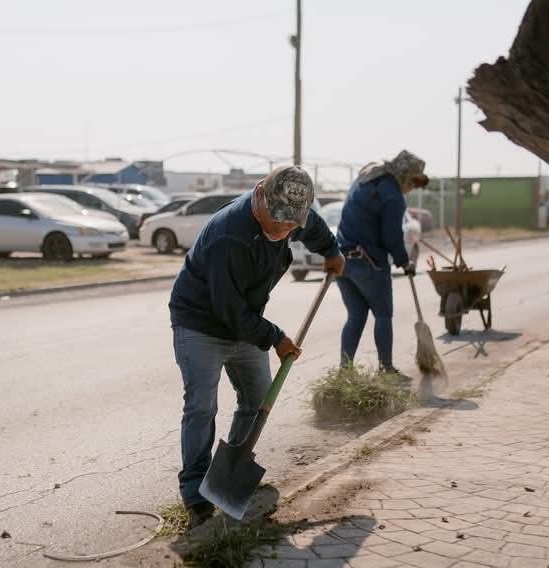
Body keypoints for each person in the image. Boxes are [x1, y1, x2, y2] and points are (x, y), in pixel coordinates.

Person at [168, 166, 345, 526]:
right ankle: (194, 492)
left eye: (290, 223)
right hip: (201, 322)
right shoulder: (228, 237)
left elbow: (314, 229)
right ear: (260, 194)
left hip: (243, 320)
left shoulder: (293, 211)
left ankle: (226, 474)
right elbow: (228, 310)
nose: (283, 228)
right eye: (278, 219)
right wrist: (276, 338)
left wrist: (332, 252)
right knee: (202, 404)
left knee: (257, 397)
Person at [335, 150, 429, 374]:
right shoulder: (392, 196)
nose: (413, 187)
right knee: (383, 314)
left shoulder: (368, 177)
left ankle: (345, 371)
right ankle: (386, 369)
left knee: (356, 316)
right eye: (413, 181)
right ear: (404, 174)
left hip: (342, 260)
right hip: (369, 263)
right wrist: (405, 262)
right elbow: (391, 237)